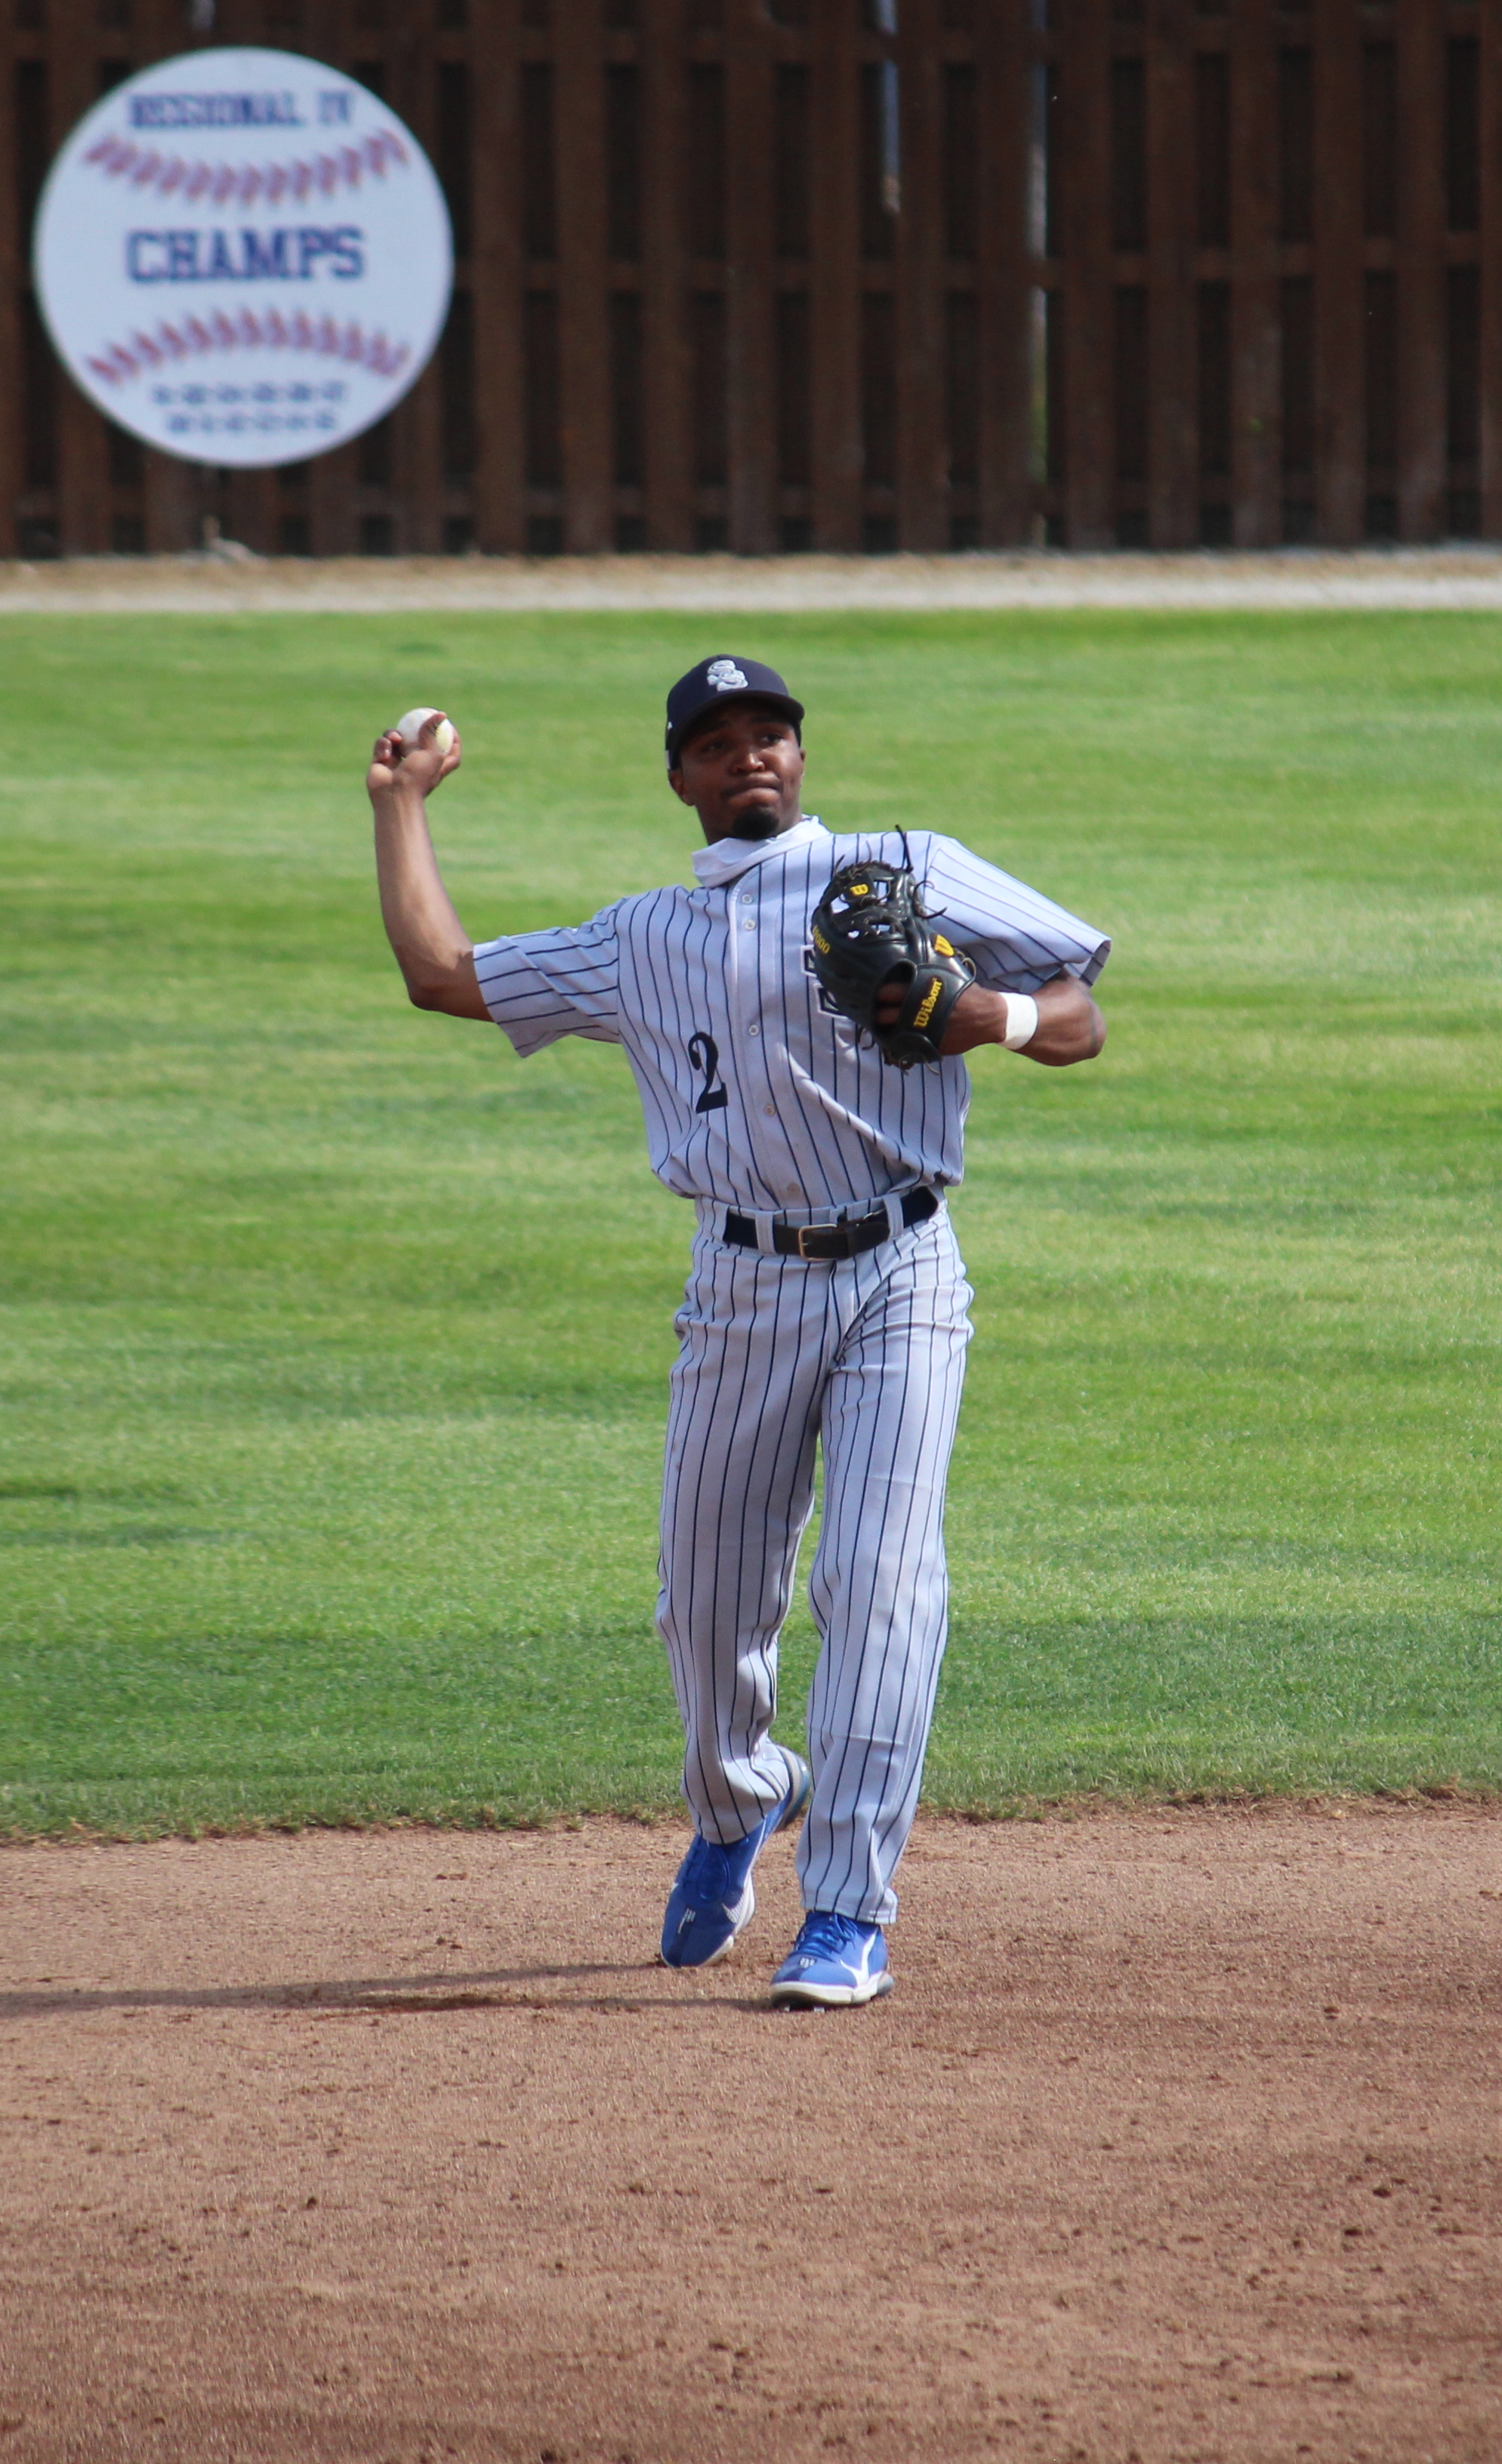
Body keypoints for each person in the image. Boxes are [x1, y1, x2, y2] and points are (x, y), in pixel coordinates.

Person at [367, 654, 1112, 2009]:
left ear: (802, 757)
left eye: (772, 733)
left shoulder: (913, 866)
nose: (750, 755)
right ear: (680, 779)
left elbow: (1082, 1017)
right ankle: (738, 1802)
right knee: (707, 1611)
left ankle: (850, 1914)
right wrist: (400, 805)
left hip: (905, 1270)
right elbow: (441, 976)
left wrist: (987, 1014)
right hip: (738, 1288)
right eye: (718, 743)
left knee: (881, 1589)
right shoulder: (638, 937)